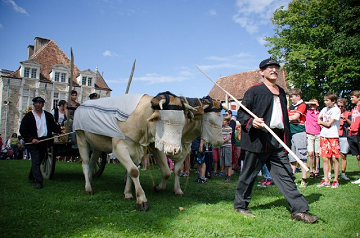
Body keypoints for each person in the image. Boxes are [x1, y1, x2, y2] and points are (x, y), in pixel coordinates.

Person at [234, 58, 318, 223]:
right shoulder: (254, 91)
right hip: (258, 140)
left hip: (277, 139)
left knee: (286, 175)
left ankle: (299, 210)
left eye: (275, 67)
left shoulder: (281, 92)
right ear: (262, 71)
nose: (273, 70)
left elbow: (283, 117)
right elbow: (242, 114)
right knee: (249, 175)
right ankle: (240, 206)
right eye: (269, 68)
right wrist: (252, 122)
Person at [19, 97, 63, 189]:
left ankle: (31, 176)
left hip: (45, 142)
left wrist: (60, 131)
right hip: (33, 142)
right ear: (34, 104)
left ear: (43, 104)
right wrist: (31, 139)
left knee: (39, 161)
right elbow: (23, 130)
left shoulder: (47, 115)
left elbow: (53, 126)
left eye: (40, 103)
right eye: (36, 103)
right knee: (35, 161)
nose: (38, 105)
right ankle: (39, 181)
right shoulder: (28, 117)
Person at [317, 93, 341, 188]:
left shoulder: (336, 110)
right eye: (325, 100)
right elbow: (319, 117)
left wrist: (322, 123)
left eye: (327, 100)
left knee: (335, 158)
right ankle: (326, 179)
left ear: (333, 101)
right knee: (325, 158)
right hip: (324, 136)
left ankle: (335, 180)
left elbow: (329, 123)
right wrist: (321, 123)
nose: (325, 102)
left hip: (333, 136)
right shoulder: (324, 109)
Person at [288, 88, 308, 188]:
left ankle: (304, 180)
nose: (291, 98)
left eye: (293, 96)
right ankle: (292, 178)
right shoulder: (291, 107)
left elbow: (295, 117)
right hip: (291, 133)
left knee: (302, 156)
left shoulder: (302, 105)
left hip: (299, 133)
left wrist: (288, 119)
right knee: (292, 158)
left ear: (298, 96)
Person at [305, 99, 321, 178]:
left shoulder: (319, 113)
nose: (312, 106)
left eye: (314, 105)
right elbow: (303, 103)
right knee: (310, 153)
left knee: (317, 154)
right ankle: (311, 170)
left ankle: (316, 170)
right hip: (309, 134)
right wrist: (311, 102)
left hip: (318, 134)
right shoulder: (307, 111)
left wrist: (316, 104)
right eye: (311, 105)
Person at [348, 90, 360, 185]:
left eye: (353, 97)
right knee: (358, 156)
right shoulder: (354, 108)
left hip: (358, 134)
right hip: (353, 133)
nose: (351, 99)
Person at [337, 98, 351, 180]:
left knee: (343, 155)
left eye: (341, 106)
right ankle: (329, 174)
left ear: (344, 106)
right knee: (333, 156)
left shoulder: (348, 113)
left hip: (344, 136)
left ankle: (343, 173)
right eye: (338, 106)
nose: (340, 108)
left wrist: (345, 118)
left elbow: (352, 123)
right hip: (335, 135)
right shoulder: (334, 112)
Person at [221, 116, 232, 183]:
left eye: (224, 120)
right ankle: (226, 175)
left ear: (227, 122)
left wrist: (221, 140)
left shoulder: (229, 128)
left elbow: (227, 139)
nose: (223, 122)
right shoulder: (221, 129)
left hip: (227, 147)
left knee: (228, 162)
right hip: (222, 147)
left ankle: (229, 176)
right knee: (224, 163)